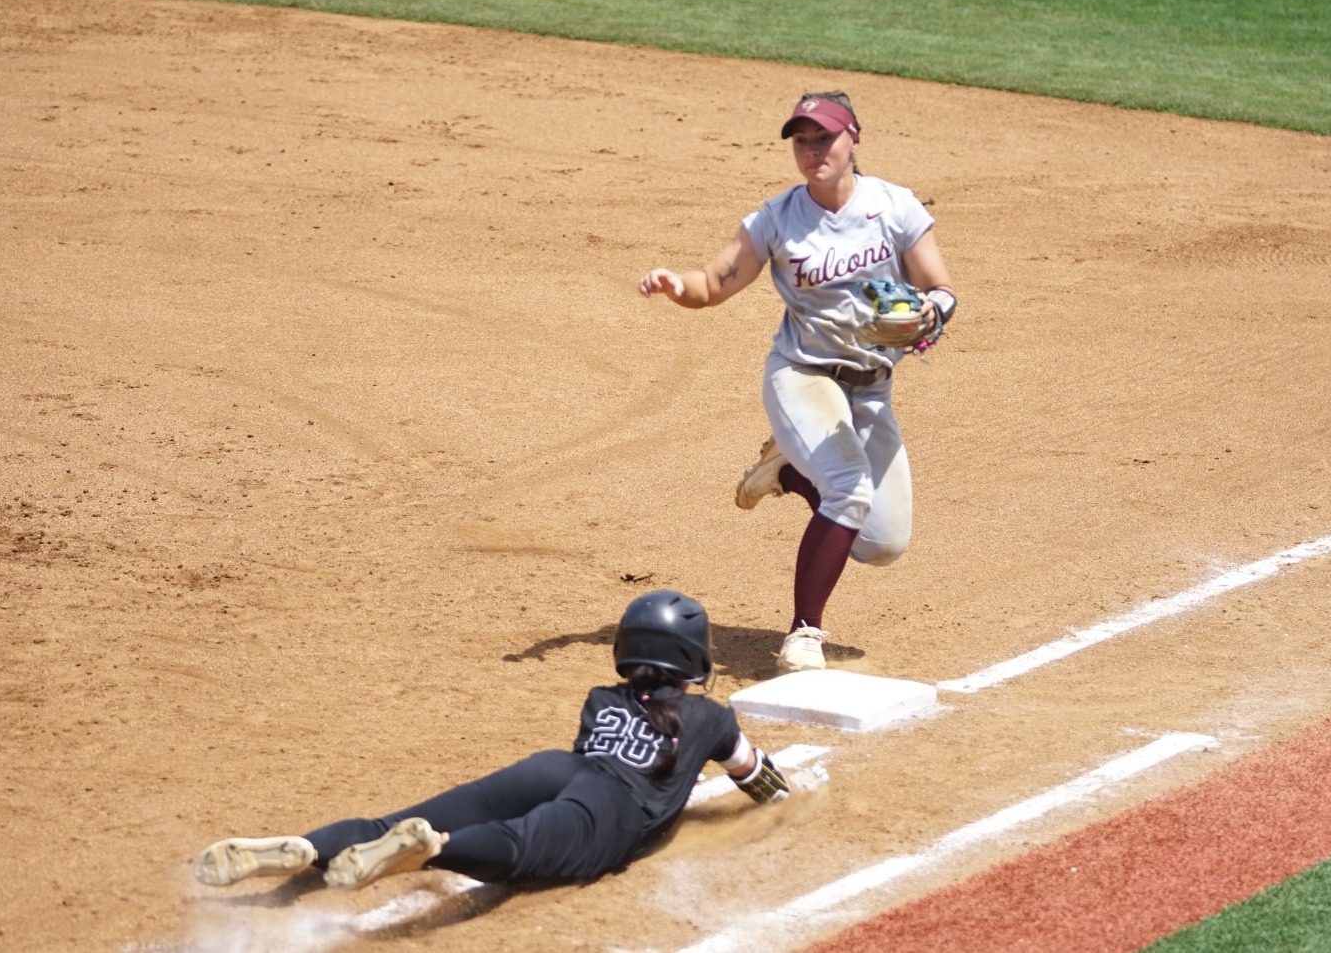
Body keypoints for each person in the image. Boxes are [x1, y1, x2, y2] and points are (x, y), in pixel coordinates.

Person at [637, 91, 957, 674]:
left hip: (870, 388)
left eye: (825, 138)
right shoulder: (777, 219)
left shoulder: (895, 207)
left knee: (882, 544)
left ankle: (785, 470)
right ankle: (804, 634)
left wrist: (933, 312)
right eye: (802, 141)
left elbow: (940, 285)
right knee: (849, 489)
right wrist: (675, 285)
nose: (813, 152)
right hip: (803, 375)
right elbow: (714, 281)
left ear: (853, 137)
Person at [191, 591, 791, 890]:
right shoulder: (711, 718)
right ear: (690, 656)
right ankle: (431, 849)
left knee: (388, 821)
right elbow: (757, 777)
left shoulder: (601, 699)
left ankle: (302, 845)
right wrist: (788, 795)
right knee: (524, 847)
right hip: (610, 808)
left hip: (556, 769)